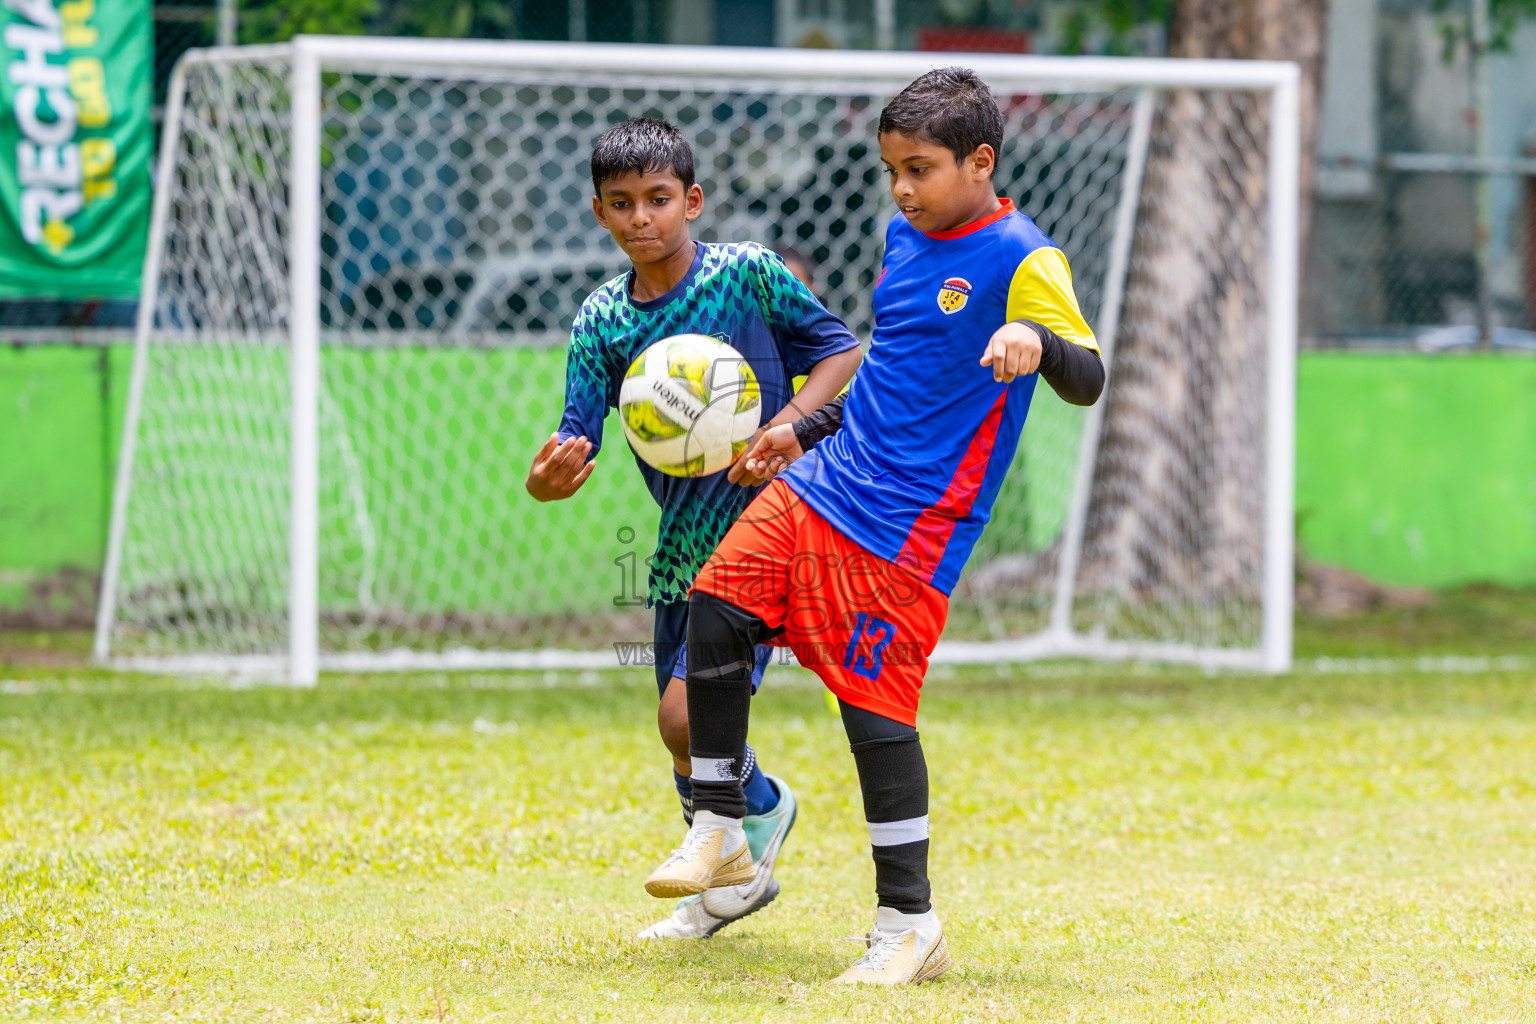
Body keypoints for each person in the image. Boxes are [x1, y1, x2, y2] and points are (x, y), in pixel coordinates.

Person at [641, 68, 1105, 984]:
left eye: (920, 168)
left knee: (874, 717)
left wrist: (1038, 345)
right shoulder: (903, 236)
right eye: (891, 167)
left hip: (909, 531)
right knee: (717, 604)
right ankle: (723, 828)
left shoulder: (1023, 256)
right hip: (826, 482)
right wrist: (799, 429)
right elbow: (886, 377)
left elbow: (1087, 375)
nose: (901, 187)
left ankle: (909, 924)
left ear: (980, 162)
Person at [526, 117, 863, 940]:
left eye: (660, 199)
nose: (643, 218)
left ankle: (758, 817)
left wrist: (786, 427)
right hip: (683, 550)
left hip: (774, 530)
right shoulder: (603, 320)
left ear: (694, 201)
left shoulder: (748, 275)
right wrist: (549, 479)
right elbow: (577, 435)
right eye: (622, 203)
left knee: (684, 720)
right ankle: (728, 879)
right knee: (682, 736)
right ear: (601, 213)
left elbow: (842, 356)